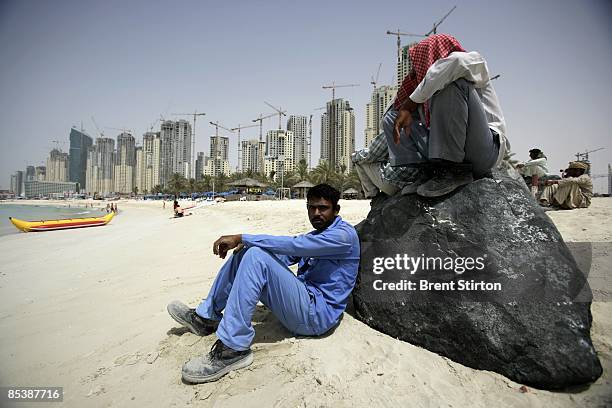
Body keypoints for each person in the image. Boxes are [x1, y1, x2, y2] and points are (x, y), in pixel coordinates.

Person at [167, 184, 360, 383]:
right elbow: (286, 255)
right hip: (303, 303)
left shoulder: (343, 237)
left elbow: (294, 245)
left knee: (255, 254)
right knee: (246, 253)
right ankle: (205, 318)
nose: (316, 213)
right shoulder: (318, 234)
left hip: (316, 316)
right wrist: (246, 247)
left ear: (336, 210)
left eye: (323, 208)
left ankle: (233, 349)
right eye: (311, 208)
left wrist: (244, 237)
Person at [383, 34, 509, 197]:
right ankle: (425, 172)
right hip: (445, 156)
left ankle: (454, 171)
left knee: (451, 84)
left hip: (484, 152)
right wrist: (407, 107)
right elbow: (398, 109)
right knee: (393, 117)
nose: (415, 69)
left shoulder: (471, 62)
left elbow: (455, 63)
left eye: (418, 62)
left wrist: (411, 102)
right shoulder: (426, 93)